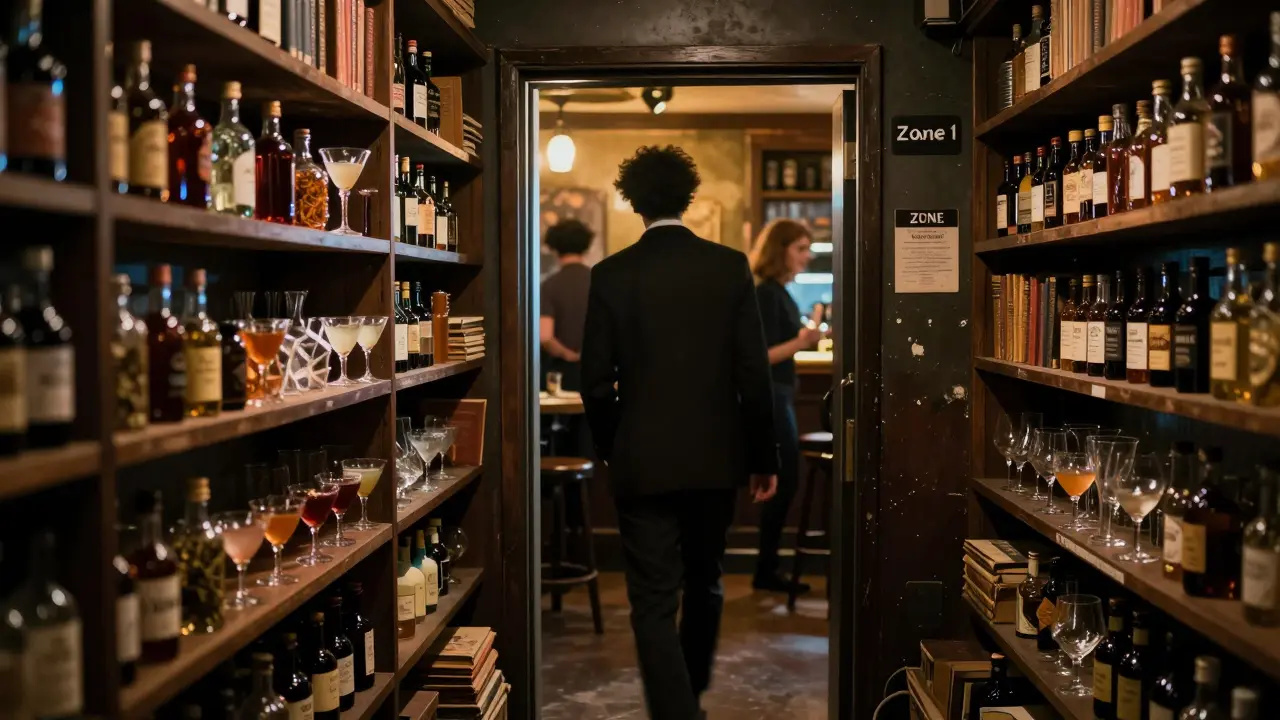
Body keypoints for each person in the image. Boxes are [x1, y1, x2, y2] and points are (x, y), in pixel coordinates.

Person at [580, 145, 779, 720]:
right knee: (706, 580)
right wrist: (763, 458)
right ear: (687, 197)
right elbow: (754, 374)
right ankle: (689, 696)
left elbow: (595, 383)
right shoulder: (728, 266)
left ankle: (677, 711)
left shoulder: (611, 274)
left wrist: (615, 445)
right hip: (714, 458)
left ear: (633, 201)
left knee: (650, 599)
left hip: (642, 460)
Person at [748, 219, 822, 594]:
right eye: (800, 248)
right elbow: (760, 356)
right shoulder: (766, 294)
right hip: (773, 397)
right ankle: (766, 569)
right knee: (783, 479)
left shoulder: (777, 292)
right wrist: (803, 340)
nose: (807, 256)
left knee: (786, 479)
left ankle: (768, 567)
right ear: (781, 250)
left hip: (781, 395)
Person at [539, 218, 595, 392]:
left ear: (554, 248)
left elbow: (545, 337)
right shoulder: (601, 280)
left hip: (561, 375)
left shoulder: (549, 286)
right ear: (586, 246)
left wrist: (569, 355)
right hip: (598, 371)